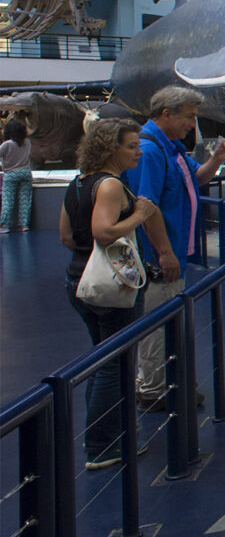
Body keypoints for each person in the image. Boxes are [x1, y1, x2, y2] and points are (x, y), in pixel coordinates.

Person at [124, 87, 225, 412]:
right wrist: (164, 253)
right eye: (189, 116)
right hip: (158, 260)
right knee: (156, 325)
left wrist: (216, 158)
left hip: (174, 254)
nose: (192, 123)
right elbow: (146, 206)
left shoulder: (171, 148)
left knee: (168, 322)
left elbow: (197, 177)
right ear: (166, 114)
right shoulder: (149, 150)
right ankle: (153, 390)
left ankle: (164, 382)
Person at [59, 118, 159, 470]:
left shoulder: (77, 183)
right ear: (110, 149)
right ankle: (103, 446)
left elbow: (67, 236)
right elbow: (103, 232)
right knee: (114, 364)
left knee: (102, 360)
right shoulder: (111, 185)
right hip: (110, 289)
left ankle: (107, 433)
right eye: (131, 146)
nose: (138, 152)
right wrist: (140, 214)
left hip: (78, 281)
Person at [1, 116, 33, 232]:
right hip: (26, 173)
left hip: (11, 174)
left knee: (8, 200)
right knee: (25, 200)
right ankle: (24, 225)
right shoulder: (27, 142)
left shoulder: (7, 144)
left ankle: (5, 225)